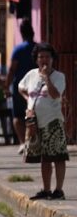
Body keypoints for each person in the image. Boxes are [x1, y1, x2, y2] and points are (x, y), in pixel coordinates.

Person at [19, 44, 68, 200]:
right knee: (44, 158)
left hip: (52, 121)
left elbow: (54, 95)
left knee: (58, 156)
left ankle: (58, 190)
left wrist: (47, 77)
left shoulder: (59, 77)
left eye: (47, 56)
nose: (44, 60)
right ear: (36, 59)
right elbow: (21, 87)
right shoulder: (31, 75)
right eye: (41, 57)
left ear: (53, 59)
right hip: (35, 123)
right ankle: (46, 189)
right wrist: (29, 101)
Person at [6, 18, 37, 148]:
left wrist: (6, 86)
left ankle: (23, 143)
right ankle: (32, 141)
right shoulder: (38, 48)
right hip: (36, 86)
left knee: (18, 116)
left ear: (21, 33)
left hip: (20, 87)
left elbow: (12, 69)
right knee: (34, 115)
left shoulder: (18, 50)